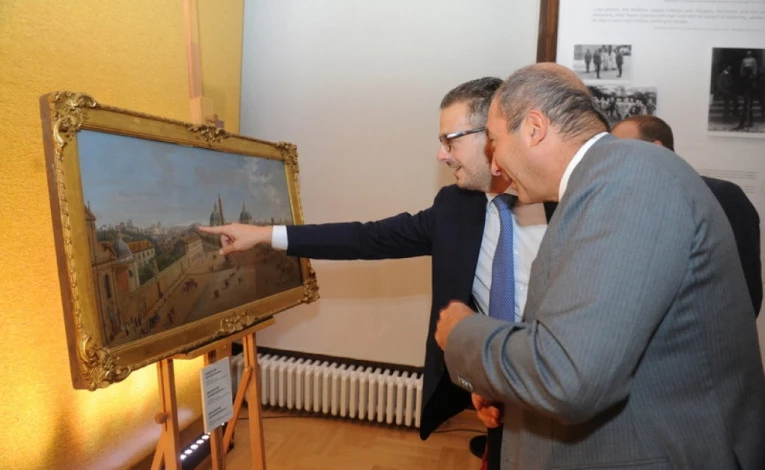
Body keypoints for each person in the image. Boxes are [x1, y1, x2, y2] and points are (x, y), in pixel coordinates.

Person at [199, 77, 555, 470]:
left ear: (492, 135)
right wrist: (265, 235)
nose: (441, 155)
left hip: (563, 400)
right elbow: (366, 238)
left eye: (450, 140)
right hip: (497, 398)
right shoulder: (454, 208)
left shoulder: (563, 204)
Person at [435, 63, 765, 469]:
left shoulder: (628, 180)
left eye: (494, 142)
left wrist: (463, 334)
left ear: (534, 128)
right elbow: (581, 341)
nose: (496, 165)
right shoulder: (599, 185)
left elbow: (570, 378)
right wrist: (512, 391)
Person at [610, 114, 762, 316]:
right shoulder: (623, 205)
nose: (613, 161)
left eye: (622, 151)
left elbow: (746, 290)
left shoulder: (722, 197)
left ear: (657, 149)